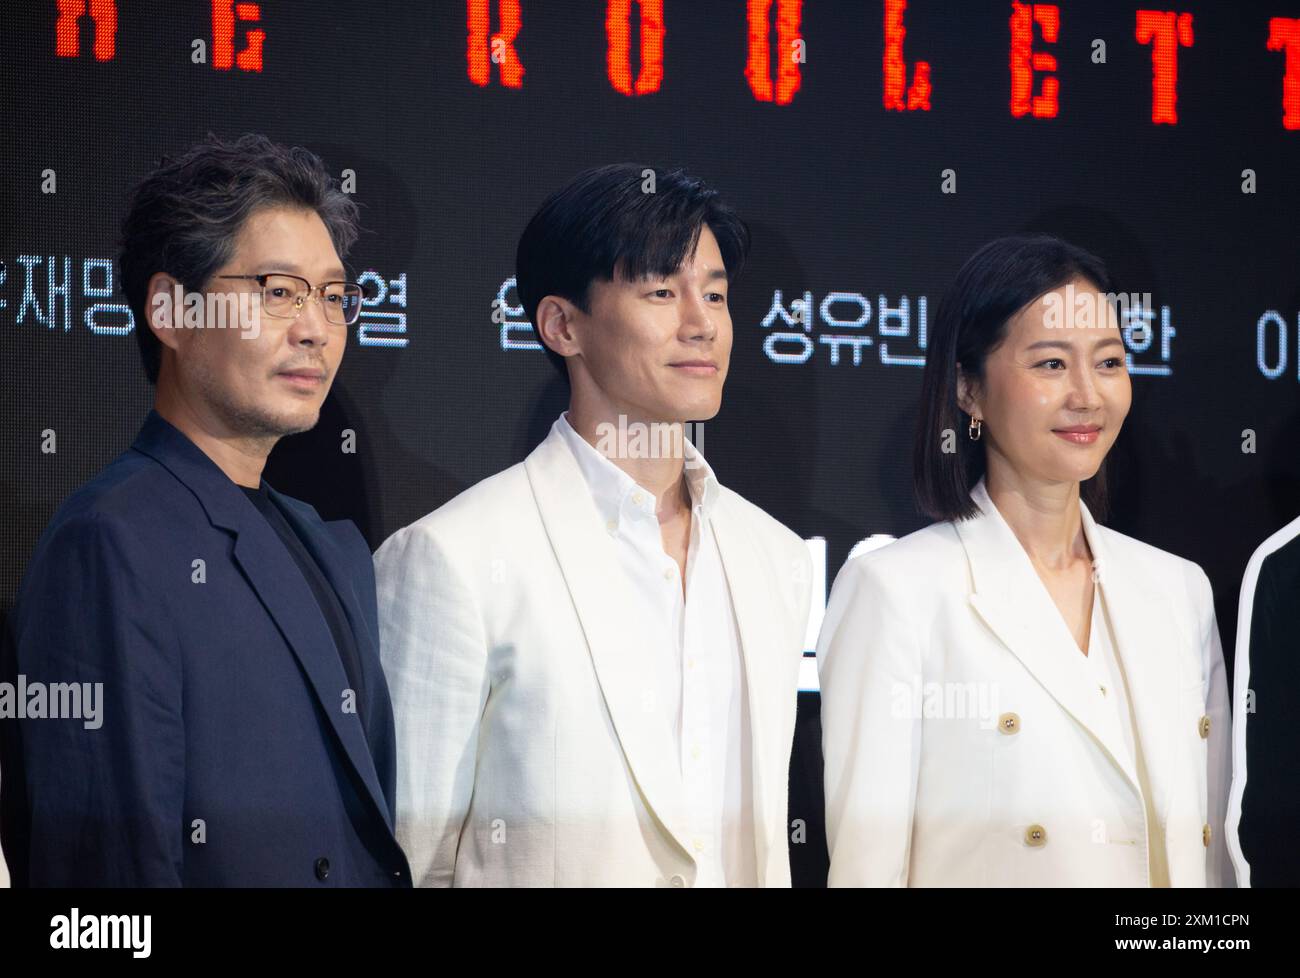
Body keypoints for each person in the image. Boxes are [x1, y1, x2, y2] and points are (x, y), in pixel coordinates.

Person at [374, 164, 812, 886]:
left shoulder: (775, 557)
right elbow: (409, 862)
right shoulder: (452, 558)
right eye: (662, 292)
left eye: (715, 294)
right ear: (563, 325)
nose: (701, 323)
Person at [0, 133, 410, 887]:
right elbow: (106, 879)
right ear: (171, 310)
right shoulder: (110, 543)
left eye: (332, 296)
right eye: (278, 290)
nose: (316, 327)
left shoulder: (334, 549)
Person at [817, 233, 1234, 887]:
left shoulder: (1178, 590)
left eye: (1108, 362)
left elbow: (1210, 866)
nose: (1088, 395)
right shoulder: (897, 593)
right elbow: (868, 871)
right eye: (1049, 365)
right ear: (968, 391)